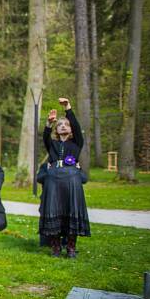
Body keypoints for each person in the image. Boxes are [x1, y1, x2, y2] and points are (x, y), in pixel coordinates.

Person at [40, 97, 90, 258]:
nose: (63, 126)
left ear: (71, 129)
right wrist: (48, 123)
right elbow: (45, 138)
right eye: (60, 124)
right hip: (53, 179)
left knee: (71, 209)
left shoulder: (76, 143)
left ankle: (71, 247)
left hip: (71, 179)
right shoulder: (53, 144)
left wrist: (68, 108)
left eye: (66, 124)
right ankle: (55, 247)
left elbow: (76, 124)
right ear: (56, 129)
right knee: (53, 210)